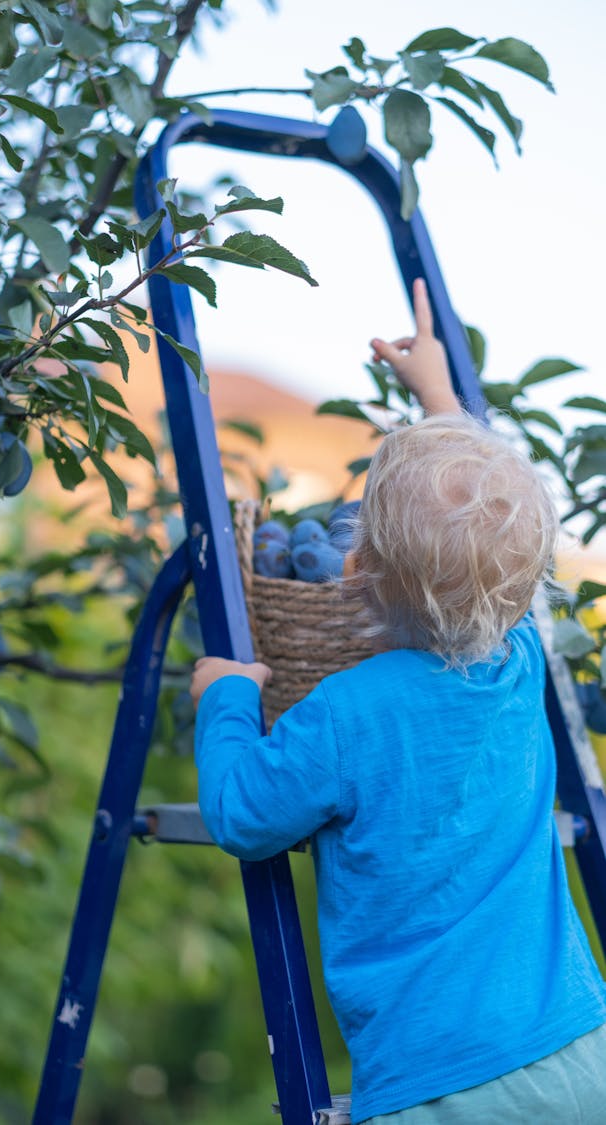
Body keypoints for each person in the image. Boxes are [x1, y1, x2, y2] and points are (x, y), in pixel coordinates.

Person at [190, 279, 606, 1123]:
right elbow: (491, 539)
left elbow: (240, 811)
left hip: (442, 1083)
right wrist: (443, 399)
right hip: (579, 1049)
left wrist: (227, 696)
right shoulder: (520, 653)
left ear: (357, 573)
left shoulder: (346, 712)